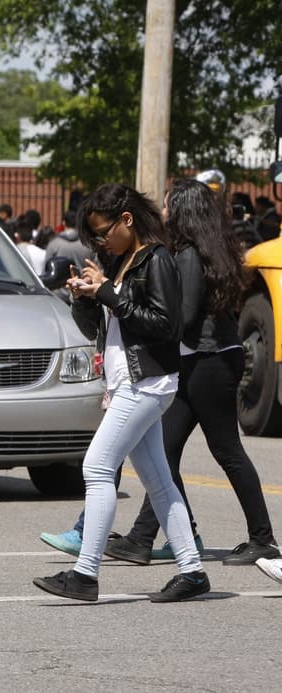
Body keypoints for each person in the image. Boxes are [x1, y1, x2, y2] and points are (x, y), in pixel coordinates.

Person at [33, 183, 210, 603]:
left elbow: (167, 325)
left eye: (103, 231)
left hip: (146, 383)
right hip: (133, 382)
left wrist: (109, 293)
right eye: (93, 235)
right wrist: (87, 299)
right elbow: (105, 327)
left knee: (95, 468)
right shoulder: (124, 260)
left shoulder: (158, 259)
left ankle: (85, 574)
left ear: (127, 220)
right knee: (159, 483)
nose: (99, 240)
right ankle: (193, 572)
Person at [103, 179, 279, 567]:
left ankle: (263, 540)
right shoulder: (204, 251)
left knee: (225, 450)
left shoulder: (188, 256)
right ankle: (142, 538)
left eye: (167, 205)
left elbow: (180, 319)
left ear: (182, 210)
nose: (163, 212)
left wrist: (133, 314)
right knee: (163, 453)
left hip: (208, 362)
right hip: (200, 360)